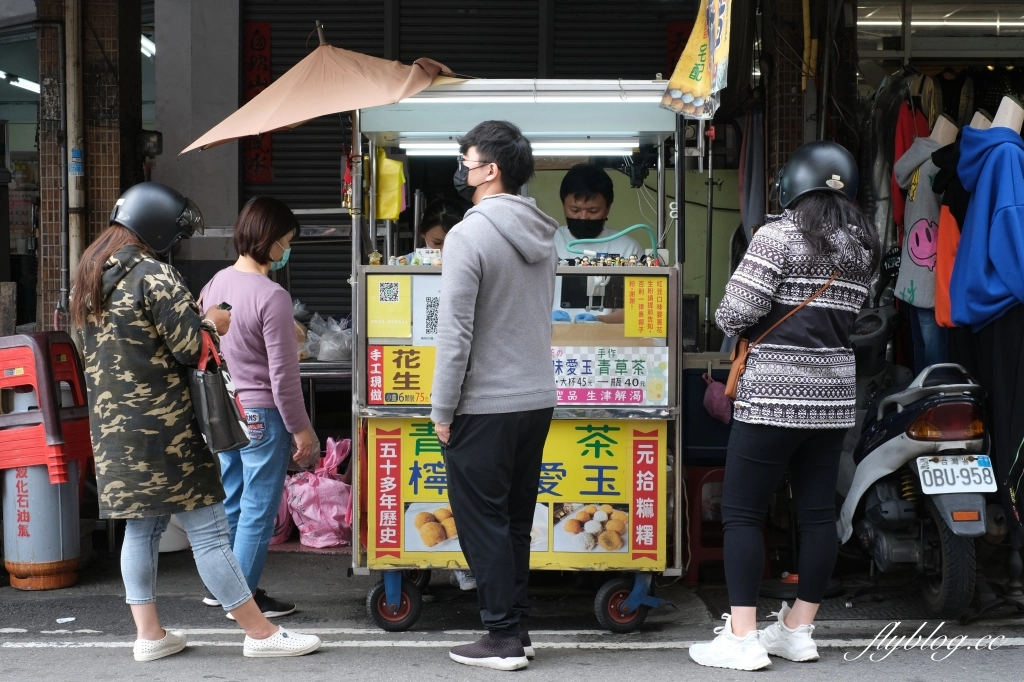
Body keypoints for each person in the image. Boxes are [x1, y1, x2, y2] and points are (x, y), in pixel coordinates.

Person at [72, 182, 320, 661]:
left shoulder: (90, 280)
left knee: (141, 529)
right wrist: (213, 325)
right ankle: (261, 633)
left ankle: (149, 636)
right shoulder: (153, 275)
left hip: (113, 429)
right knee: (209, 530)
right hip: (165, 427)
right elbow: (193, 349)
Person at [689, 142, 880, 671]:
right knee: (818, 514)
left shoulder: (778, 235)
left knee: (742, 512)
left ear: (793, 183)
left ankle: (743, 636)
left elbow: (734, 313)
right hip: (835, 396)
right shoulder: (863, 245)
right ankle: (798, 628)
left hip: (774, 395)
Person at [431, 120, 558, 671]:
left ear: (491, 170)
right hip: (535, 398)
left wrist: (441, 409)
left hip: (484, 403)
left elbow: (455, 332)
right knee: (512, 519)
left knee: (482, 521)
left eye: (468, 159)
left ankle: (502, 636)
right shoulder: (542, 232)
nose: (462, 168)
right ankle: (518, 626)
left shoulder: (468, 234)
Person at [199, 197, 320, 618]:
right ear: (268, 241)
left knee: (232, 500)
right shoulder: (272, 296)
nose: (286, 251)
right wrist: (303, 429)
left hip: (224, 409)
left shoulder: (214, 285)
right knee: (257, 509)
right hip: (263, 415)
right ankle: (243, 601)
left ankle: (222, 589)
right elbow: (284, 379)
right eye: (285, 242)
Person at [553, 163, 644, 261]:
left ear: (608, 208)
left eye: (593, 211)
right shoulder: (548, 243)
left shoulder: (628, 250)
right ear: (563, 206)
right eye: (575, 210)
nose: (583, 217)